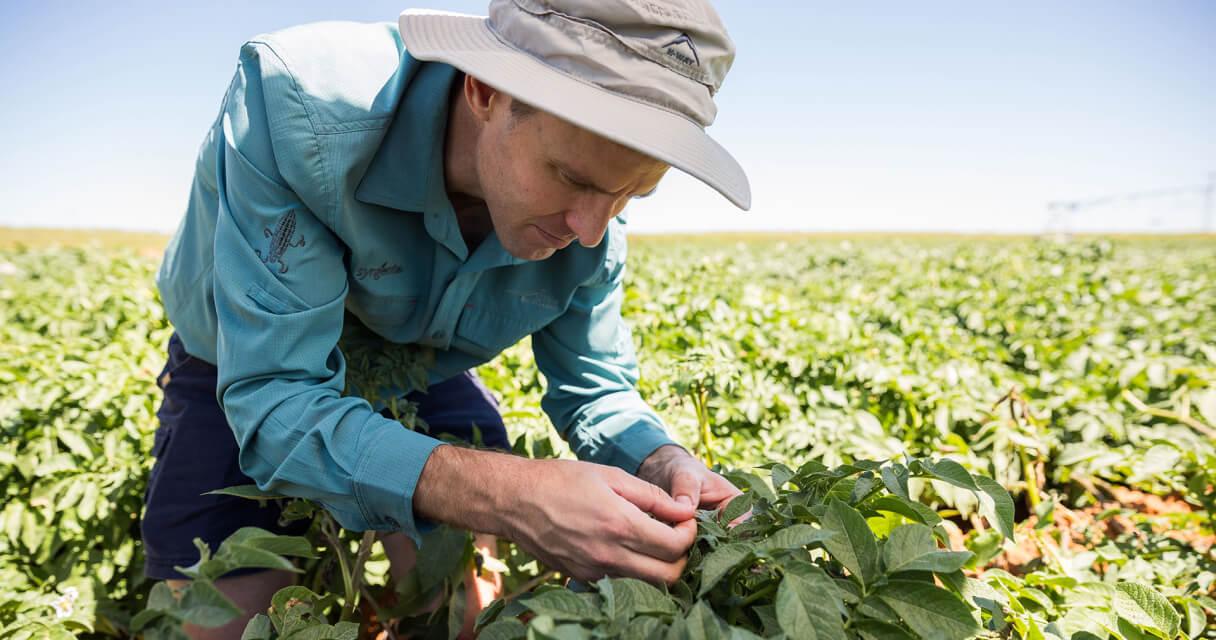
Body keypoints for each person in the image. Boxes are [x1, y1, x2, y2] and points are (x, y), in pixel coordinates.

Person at [142, 0, 752, 637]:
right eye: (571, 177)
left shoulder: (593, 228)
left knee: (465, 609)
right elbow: (276, 400)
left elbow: (594, 389)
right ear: (484, 88)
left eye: (629, 193)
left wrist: (661, 461)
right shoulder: (301, 107)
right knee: (226, 618)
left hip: (416, 365)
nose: (591, 229)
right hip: (247, 360)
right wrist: (513, 494)